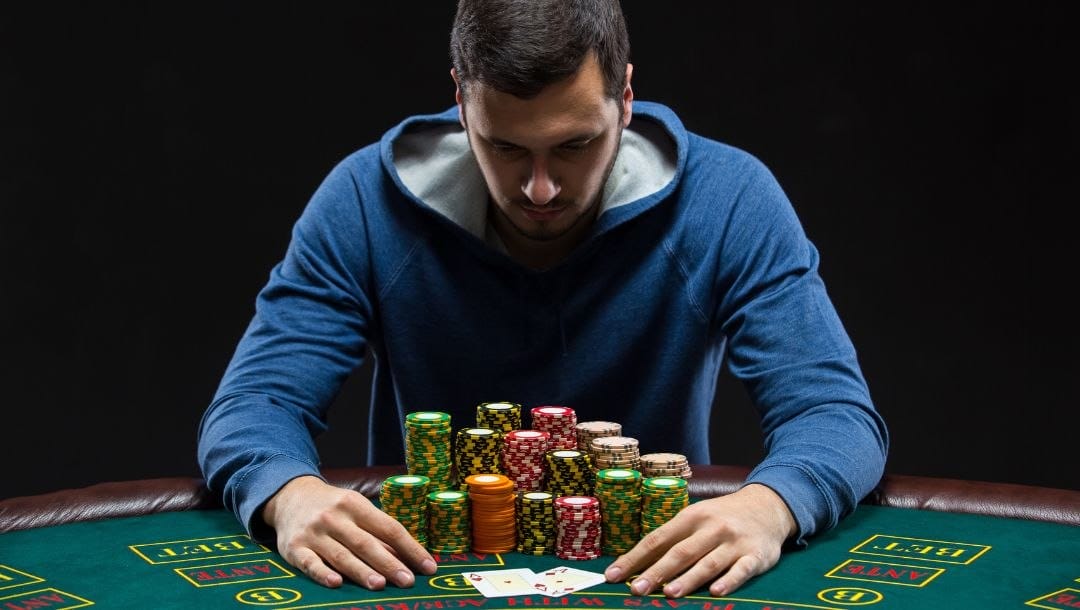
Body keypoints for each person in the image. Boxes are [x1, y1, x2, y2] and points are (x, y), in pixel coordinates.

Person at [197, 0, 888, 599]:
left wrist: (769, 509)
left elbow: (834, 414)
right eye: (504, 148)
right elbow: (254, 406)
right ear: (461, 98)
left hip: (650, 579)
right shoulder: (363, 200)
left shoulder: (730, 199)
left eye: (573, 146)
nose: (539, 190)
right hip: (424, 581)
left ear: (625, 95)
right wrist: (291, 494)